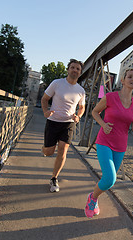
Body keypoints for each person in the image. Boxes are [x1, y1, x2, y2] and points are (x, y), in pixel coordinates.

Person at [85, 68, 133, 218]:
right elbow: (94, 112)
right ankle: (92, 198)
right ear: (123, 81)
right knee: (110, 178)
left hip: (120, 146)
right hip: (104, 141)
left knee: (110, 181)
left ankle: (95, 198)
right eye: (130, 76)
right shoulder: (110, 97)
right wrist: (103, 124)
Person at [41, 59, 85, 193]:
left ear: (80, 72)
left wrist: (78, 116)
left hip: (68, 124)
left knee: (63, 149)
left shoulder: (81, 91)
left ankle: (54, 178)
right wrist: (45, 111)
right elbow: (44, 99)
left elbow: (82, 107)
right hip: (53, 121)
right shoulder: (57, 83)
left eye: (77, 69)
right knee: (49, 152)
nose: (75, 70)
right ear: (68, 69)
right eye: (72, 67)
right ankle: (44, 148)